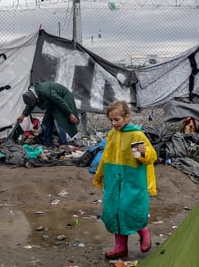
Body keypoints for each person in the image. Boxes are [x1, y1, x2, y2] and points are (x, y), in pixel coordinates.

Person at [93, 100, 157, 259]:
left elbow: (149, 157)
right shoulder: (112, 135)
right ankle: (120, 247)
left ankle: (143, 231)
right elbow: (106, 156)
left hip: (132, 180)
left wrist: (144, 152)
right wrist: (100, 174)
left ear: (127, 117)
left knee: (130, 209)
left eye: (117, 119)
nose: (114, 123)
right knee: (114, 211)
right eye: (111, 120)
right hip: (114, 180)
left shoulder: (136, 135)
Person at [16, 82, 79, 146]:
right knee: (47, 121)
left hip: (63, 98)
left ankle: (63, 144)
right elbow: (30, 106)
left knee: (60, 121)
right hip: (53, 103)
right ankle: (47, 142)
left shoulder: (46, 92)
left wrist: (70, 114)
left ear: (36, 98)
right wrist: (22, 116)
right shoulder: (32, 94)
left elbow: (60, 102)